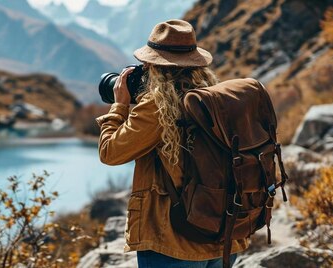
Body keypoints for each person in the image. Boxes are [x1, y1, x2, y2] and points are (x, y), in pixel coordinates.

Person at [96, 19, 248, 267]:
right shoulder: (214, 99)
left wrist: (120, 106)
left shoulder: (158, 106)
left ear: (153, 65)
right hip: (222, 232)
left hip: (172, 240)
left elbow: (110, 152)